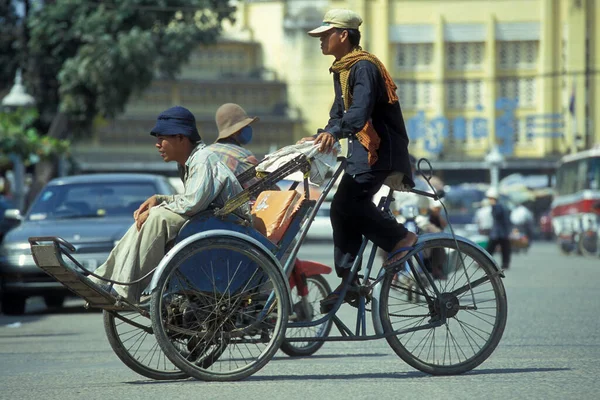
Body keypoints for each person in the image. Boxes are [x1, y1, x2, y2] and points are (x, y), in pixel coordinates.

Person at [302, 9, 417, 307]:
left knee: (349, 203)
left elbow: (359, 111)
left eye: (326, 35)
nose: (321, 41)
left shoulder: (364, 67)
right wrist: (323, 135)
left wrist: (336, 131)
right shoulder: (343, 69)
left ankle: (400, 238)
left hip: (380, 152)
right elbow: (338, 115)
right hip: (362, 154)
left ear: (343, 35)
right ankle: (350, 282)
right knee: (341, 210)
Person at [88, 106, 247, 304]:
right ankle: (103, 279)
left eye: (161, 138)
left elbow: (193, 204)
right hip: (209, 222)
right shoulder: (187, 163)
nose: (157, 145)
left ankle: (126, 289)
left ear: (181, 138)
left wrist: (158, 209)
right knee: (143, 219)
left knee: (156, 218)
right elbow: (192, 198)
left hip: (230, 227)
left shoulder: (203, 159)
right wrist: (160, 200)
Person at [207, 103, 260, 188]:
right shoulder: (241, 158)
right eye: (245, 126)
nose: (249, 128)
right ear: (236, 131)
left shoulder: (204, 153)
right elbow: (264, 190)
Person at [485, 188, 512, 270]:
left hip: (498, 232)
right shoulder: (502, 205)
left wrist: (493, 206)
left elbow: (497, 215)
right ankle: (505, 263)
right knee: (504, 249)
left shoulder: (497, 206)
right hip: (502, 232)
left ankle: (486, 262)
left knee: (491, 249)